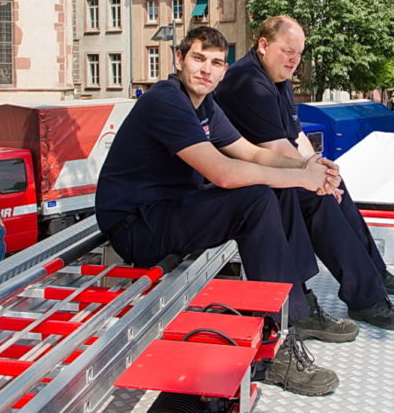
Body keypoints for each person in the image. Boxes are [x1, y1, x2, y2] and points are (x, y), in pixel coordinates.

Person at [96, 27, 348, 397]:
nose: (206, 70)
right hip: (137, 227)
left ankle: (293, 311)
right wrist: (302, 178)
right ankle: (276, 346)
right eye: (198, 59)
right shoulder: (166, 100)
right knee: (256, 197)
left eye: (216, 63)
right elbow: (224, 173)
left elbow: (252, 153)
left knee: (271, 191)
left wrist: (308, 167)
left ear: (223, 71)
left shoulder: (206, 106)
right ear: (179, 60)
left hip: (169, 211)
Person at [215, 15, 394, 331]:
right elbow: (278, 147)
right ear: (264, 45)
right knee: (316, 197)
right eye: (287, 51)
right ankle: (365, 299)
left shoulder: (277, 79)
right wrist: (314, 179)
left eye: (298, 53)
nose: (293, 60)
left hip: (266, 172)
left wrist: (321, 171)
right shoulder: (248, 82)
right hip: (244, 180)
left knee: (335, 183)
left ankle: (374, 272)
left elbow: (296, 137)